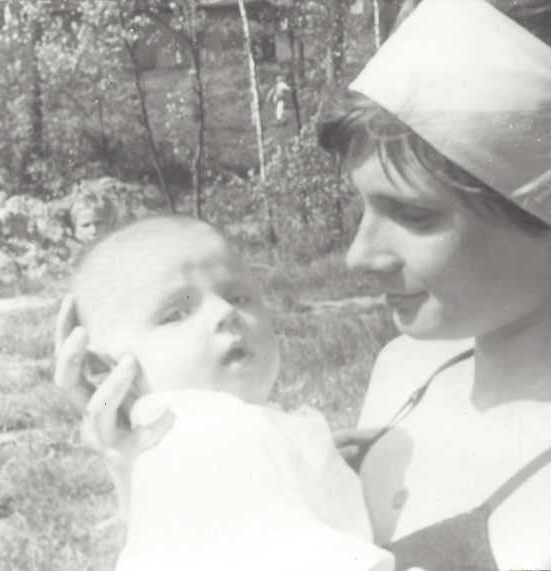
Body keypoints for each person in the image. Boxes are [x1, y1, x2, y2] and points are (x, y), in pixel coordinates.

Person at [56, 0, 551, 569]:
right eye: (363, 208)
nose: (359, 255)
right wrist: (149, 457)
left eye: (413, 215)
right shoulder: (408, 371)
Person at [71, 216, 393, 571]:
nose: (225, 312)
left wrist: (311, 466)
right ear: (109, 370)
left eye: (238, 297)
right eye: (176, 313)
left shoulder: (199, 437)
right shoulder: (217, 438)